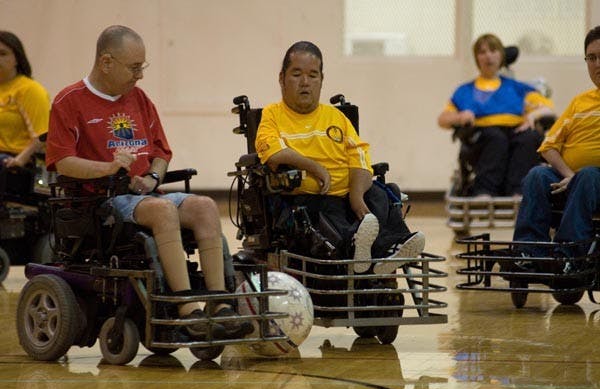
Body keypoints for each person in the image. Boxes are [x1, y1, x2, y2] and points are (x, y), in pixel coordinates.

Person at [45, 25, 252, 339]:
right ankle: (186, 308)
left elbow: (161, 152)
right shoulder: (69, 101)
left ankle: (220, 305)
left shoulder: (139, 99)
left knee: (206, 207)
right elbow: (63, 162)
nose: (139, 75)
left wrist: (154, 175)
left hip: (145, 193)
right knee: (162, 211)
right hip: (102, 200)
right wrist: (108, 168)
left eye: (142, 67)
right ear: (106, 62)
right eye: (134, 67)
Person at [255, 41, 424, 274]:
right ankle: (359, 246)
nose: (305, 82)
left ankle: (392, 248)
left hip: (349, 193)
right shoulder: (272, 115)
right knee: (324, 210)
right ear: (282, 78)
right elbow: (274, 154)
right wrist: (314, 167)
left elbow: (360, 157)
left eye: (313, 75)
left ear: (321, 80)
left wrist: (356, 196)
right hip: (312, 197)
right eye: (297, 74)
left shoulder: (335, 116)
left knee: (381, 194)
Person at [512, 26, 600, 268]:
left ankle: (567, 255)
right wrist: (571, 177)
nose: (597, 63)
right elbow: (548, 146)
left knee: (589, 176)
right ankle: (529, 252)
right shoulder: (579, 103)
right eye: (591, 58)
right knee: (537, 175)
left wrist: (579, 178)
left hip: (594, 180)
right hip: (572, 181)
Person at [437, 33, 555, 197]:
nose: (488, 56)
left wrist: (533, 116)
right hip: (484, 135)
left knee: (529, 137)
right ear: (477, 58)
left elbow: (548, 110)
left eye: (493, 50)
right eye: (482, 52)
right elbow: (442, 119)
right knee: (496, 138)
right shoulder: (465, 91)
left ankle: (518, 192)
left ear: (501, 55)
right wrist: (460, 116)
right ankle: (484, 191)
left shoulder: (518, 88)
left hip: (515, 130)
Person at [0, 31, 50, 195]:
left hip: (18, 163)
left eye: (3, 53)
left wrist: (19, 159)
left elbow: (43, 136)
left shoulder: (30, 90)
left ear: (17, 57)